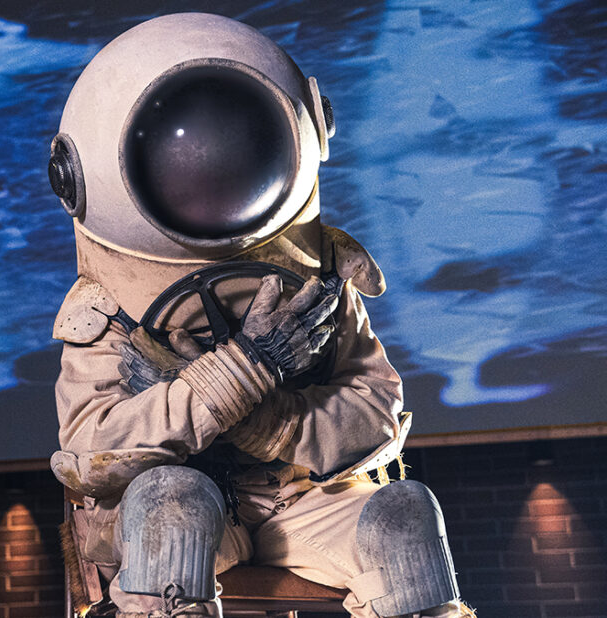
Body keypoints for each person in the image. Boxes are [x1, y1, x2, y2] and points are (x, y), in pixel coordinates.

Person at [47, 13, 472, 618]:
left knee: (402, 516)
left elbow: (377, 417)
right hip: (177, 512)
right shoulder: (110, 314)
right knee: (174, 502)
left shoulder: (316, 289)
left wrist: (263, 413)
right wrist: (242, 371)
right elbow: (92, 450)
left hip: (297, 504)